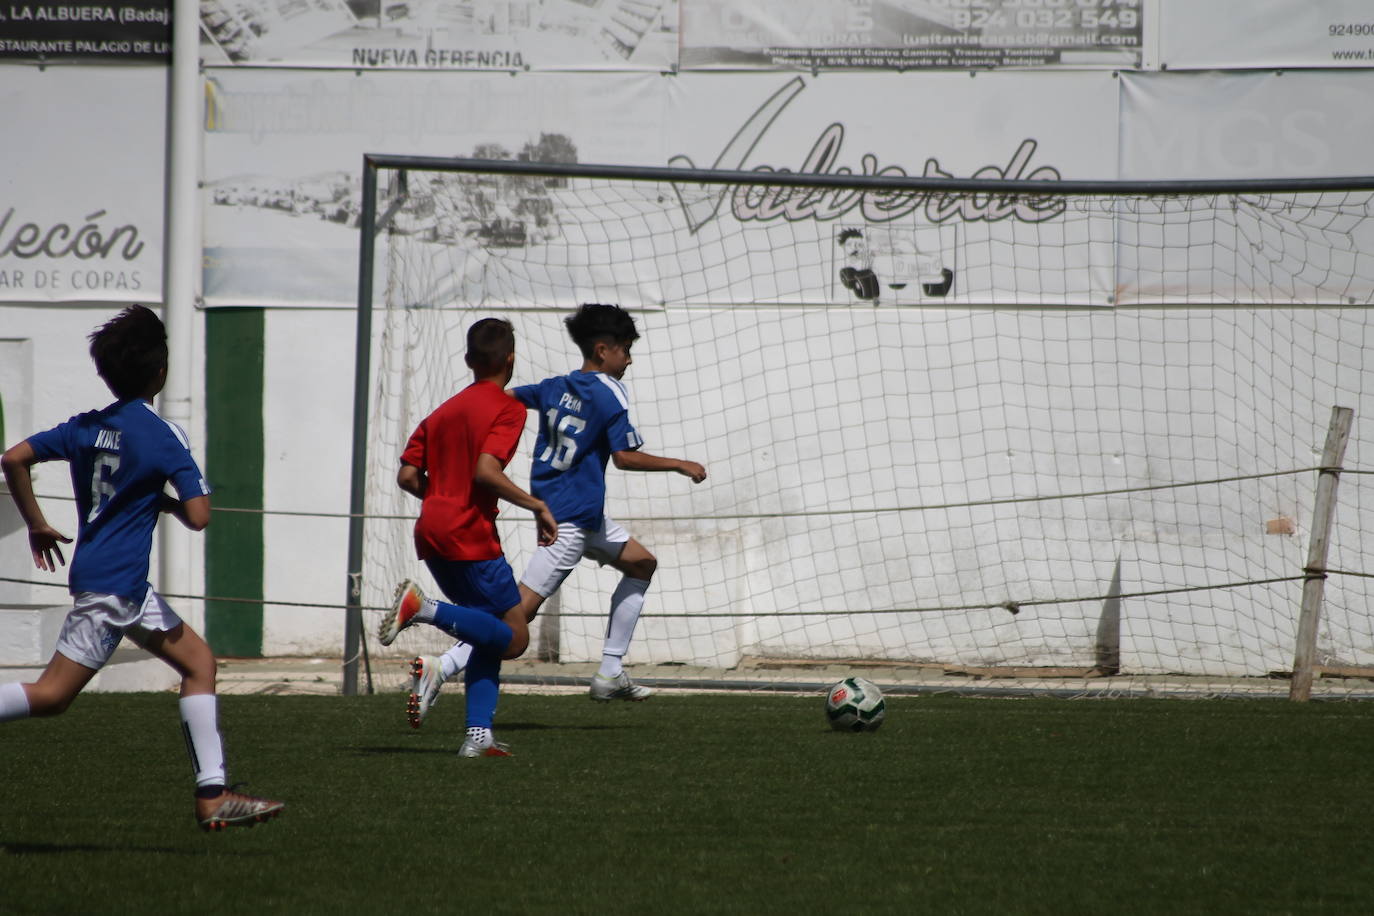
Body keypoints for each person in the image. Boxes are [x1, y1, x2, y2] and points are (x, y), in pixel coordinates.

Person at [0, 305, 283, 831]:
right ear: (161, 370)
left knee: (199, 663)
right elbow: (200, 517)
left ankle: (213, 796)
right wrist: (169, 500)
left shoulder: (86, 428)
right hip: (114, 589)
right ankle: (213, 796)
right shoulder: (161, 435)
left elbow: (13, 457)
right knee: (52, 696)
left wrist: (37, 522)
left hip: (117, 582)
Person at [405, 303, 706, 727]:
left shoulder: (554, 385)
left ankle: (609, 671)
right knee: (516, 619)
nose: (630, 359)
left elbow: (501, 397)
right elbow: (622, 456)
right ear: (603, 350)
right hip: (567, 524)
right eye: (625, 350)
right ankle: (445, 665)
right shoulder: (611, 392)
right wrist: (678, 464)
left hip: (585, 517)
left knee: (642, 563)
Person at [376, 317, 558, 757]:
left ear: (468, 361)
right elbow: (486, 471)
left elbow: (405, 476)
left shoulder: (441, 412)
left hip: (432, 530)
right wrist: (537, 505)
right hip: (470, 535)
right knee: (514, 638)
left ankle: (478, 738)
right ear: (510, 359)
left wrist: (440, 495)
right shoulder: (507, 408)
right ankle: (424, 608)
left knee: (489, 633)